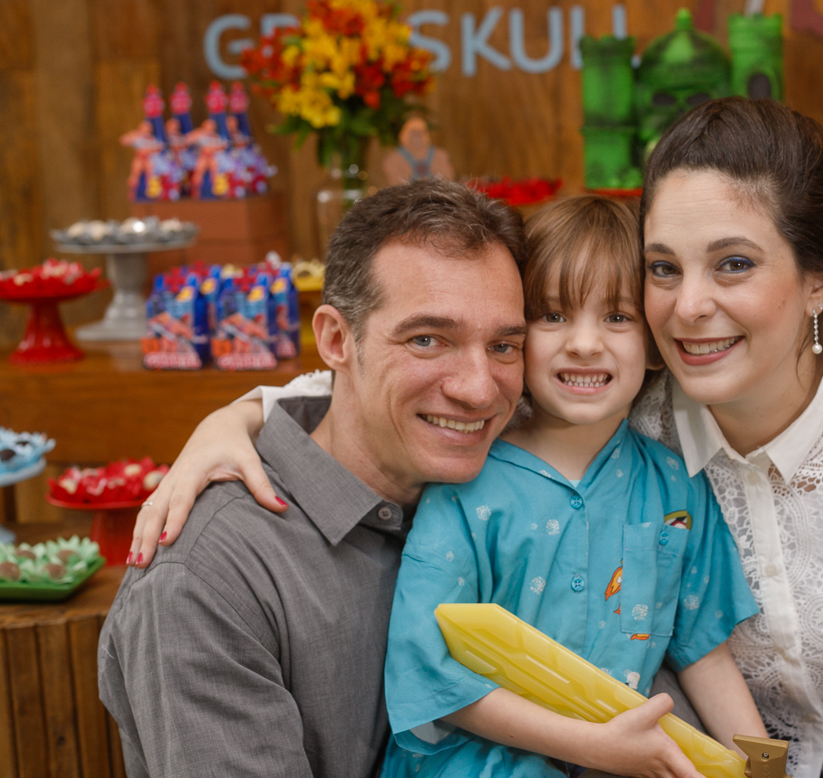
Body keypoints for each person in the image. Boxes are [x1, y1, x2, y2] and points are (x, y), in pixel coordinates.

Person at [131, 98, 823, 778]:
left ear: (819, 280)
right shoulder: (634, 400)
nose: (688, 308)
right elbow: (405, 378)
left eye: (734, 264)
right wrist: (241, 415)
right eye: (663, 268)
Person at [97, 179, 532, 777]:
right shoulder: (209, 577)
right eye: (428, 340)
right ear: (334, 340)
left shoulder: (514, 482)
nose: (479, 389)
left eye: (504, 346)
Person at [378, 195, 763, 778]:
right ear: (515, 338)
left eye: (617, 317)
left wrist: (762, 765)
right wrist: (591, 746)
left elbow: (703, 652)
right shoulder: (465, 482)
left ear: (655, 342)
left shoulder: (677, 486)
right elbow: (429, 671)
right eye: (553, 316)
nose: (584, 344)